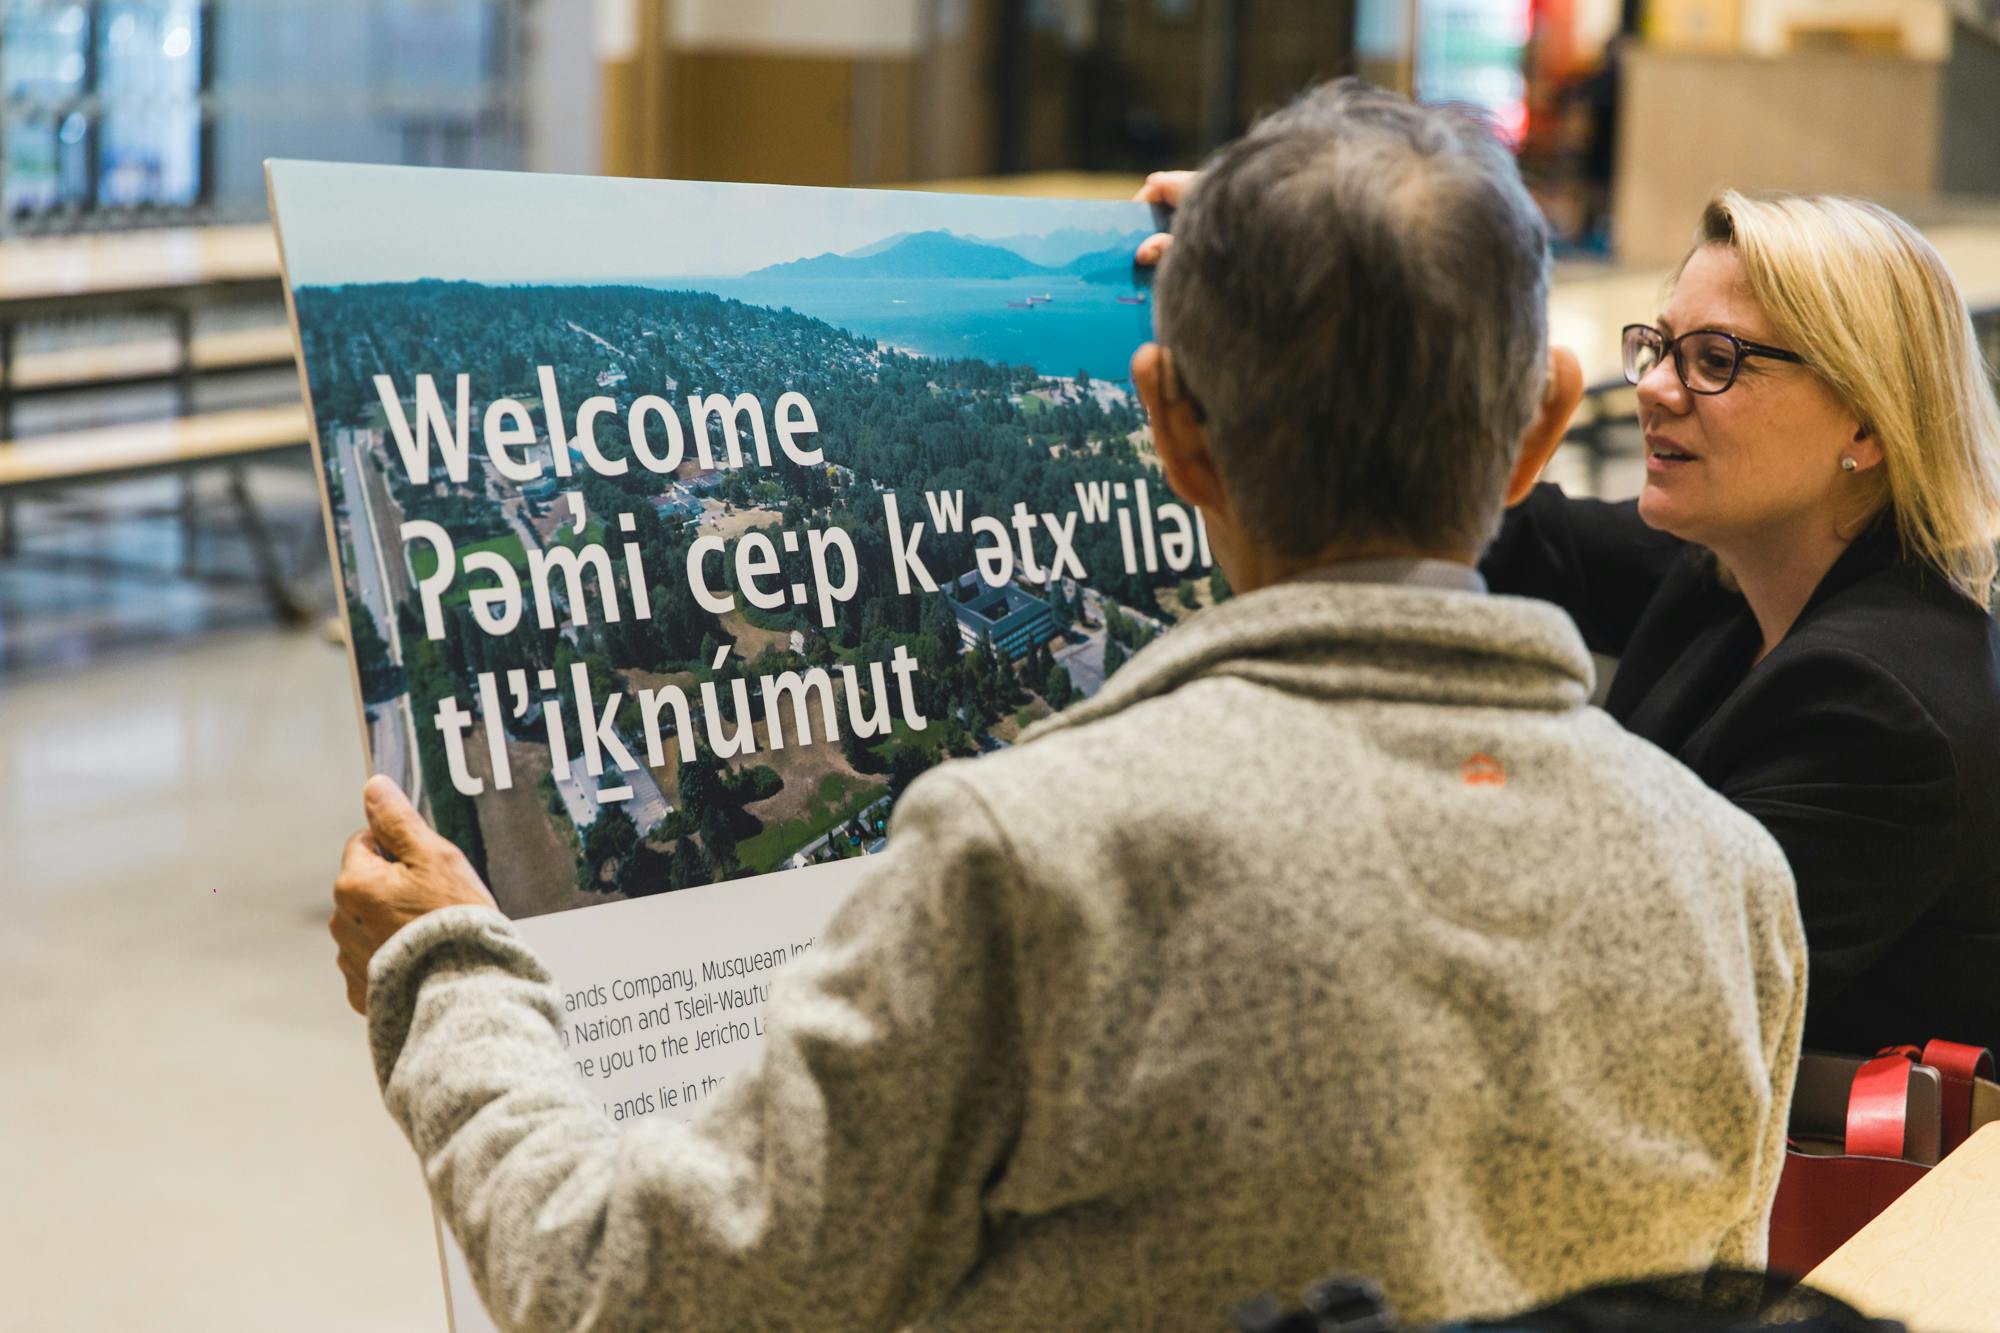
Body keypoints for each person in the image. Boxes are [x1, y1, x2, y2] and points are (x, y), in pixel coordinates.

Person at [332, 82, 1805, 1332]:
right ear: (1546, 422)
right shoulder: (1729, 877)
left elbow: (628, 1289)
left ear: (1166, 421)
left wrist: (448, 978)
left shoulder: (1035, 861)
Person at [1141, 172, 2000, 1060]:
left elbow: (1612, 994)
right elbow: (1482, 520)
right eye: (1659, 347)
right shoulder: (1740, 567)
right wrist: (1311, 278)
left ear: (1865, 427)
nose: (1657, 388)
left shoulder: (1884, 706)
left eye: (1717, 361)